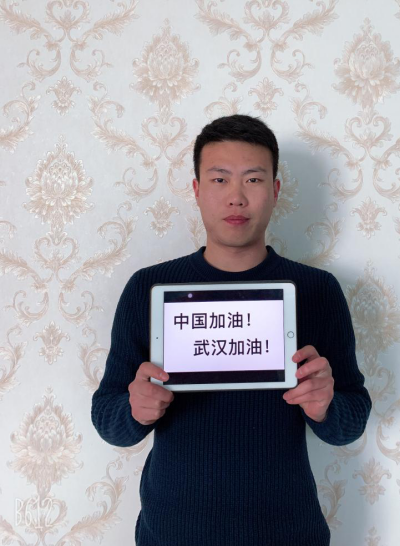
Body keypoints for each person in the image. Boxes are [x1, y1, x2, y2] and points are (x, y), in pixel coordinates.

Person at [91, 113, 372, 546]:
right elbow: (108, 418)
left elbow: (351, 420)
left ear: (275, 191)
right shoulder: (149, 288)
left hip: (288, 534)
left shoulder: (317, 290)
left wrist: (326, 405)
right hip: (172, 534)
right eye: (219, 179)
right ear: (197, 190)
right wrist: (134, 409)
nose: (236, 198)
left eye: (253, 180)